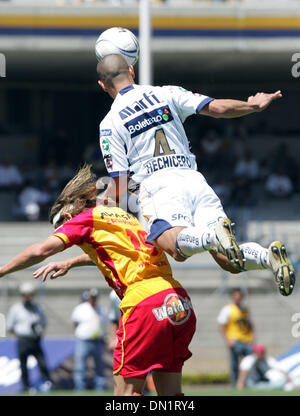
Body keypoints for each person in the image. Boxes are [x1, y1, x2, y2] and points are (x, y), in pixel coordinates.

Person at [96, 53, 295, 297]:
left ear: (102, 85)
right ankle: (268, 257)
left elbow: (120, 182)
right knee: (228, 260)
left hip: (159, 187)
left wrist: (98, 208)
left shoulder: (109, 123)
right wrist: (253, 105)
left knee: (174, 247)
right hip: (194, 181)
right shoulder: (167, 92)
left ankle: (212, 236)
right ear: (131, 70)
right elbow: (218, 108)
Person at [0, 165, 196, 396]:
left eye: (60, 227)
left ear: (67, 216)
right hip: (178, 301)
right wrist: (70, 262)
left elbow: (41, 250)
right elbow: (110, 253)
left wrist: (2, 271)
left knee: (125, 395)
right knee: (171, 395)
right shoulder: (121, 216)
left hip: (144, 304)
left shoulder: (82, 220)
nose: (62, 231)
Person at [6, 282, 52, 392]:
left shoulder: (37, 308)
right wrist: (20, 333)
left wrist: (38, 331)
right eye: (25, 294)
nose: (27, 297)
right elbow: (10, 326)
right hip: (23, 340)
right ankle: (26, 386)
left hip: (35, 339)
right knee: (23, 364)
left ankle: (46, 383)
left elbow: (43, 323)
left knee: (42, 362)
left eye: (29, 294)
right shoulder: (16, 309)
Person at [71, 288, 107, 391]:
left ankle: (100, 387)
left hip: (97, 340)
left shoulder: (101, 310)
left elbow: (104, 324)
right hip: (84, 340)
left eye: (95, 297)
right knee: (80, 365)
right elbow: (75, 323)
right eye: (92, 297)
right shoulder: (81, 308)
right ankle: (79, 387)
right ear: (88, 298)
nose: (93, 299)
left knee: (99, 365)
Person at [217, 288, 254, 387]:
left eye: (239, 296)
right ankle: (235, 385)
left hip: (246, 340)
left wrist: (252, 338)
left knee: (248, 363)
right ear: (233, 297)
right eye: (236, 295)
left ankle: (247, 383)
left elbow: (251, 325)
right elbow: (222, 325)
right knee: (234, 365)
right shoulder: (228, 309)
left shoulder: (245, 309)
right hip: (235, 340)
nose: (238, 298)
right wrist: (228, 339)